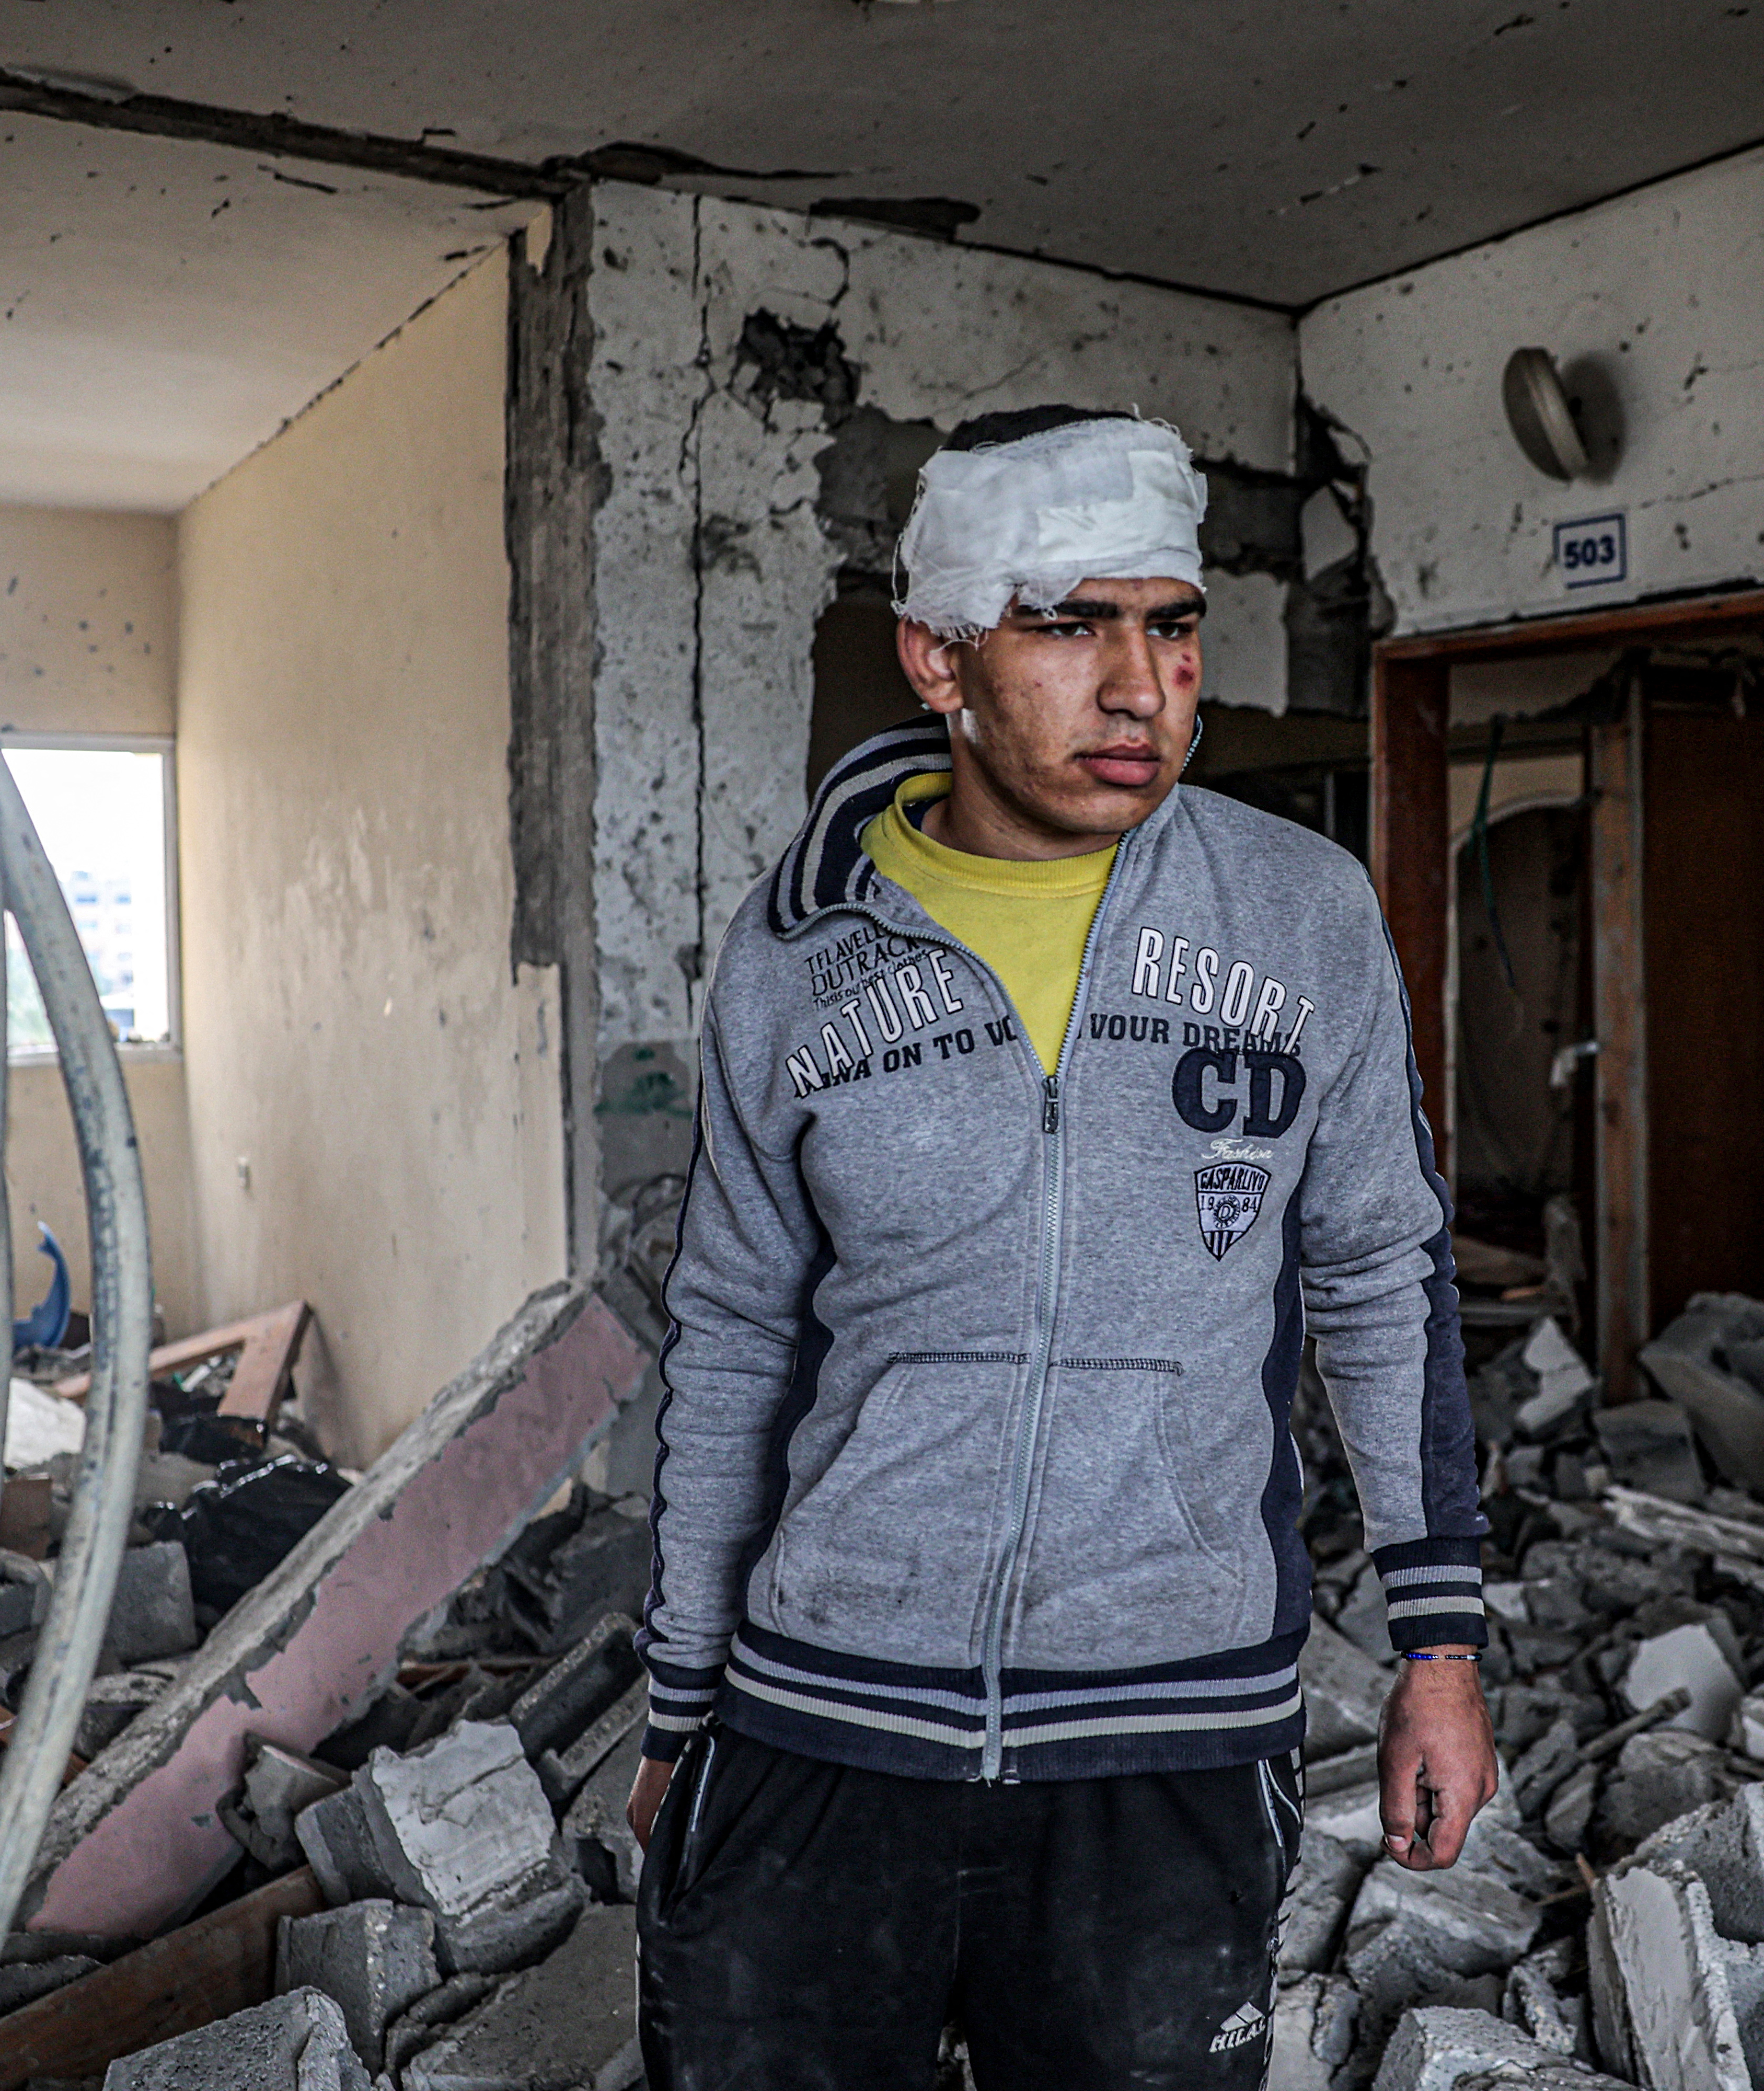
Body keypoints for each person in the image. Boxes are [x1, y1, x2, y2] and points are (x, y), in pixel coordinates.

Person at [625, 407, 1493, 2089]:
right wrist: (679, 1699)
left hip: (1164, 1733)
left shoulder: (1298, 913)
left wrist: (1436, 1654)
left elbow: (1387, 1274)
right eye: (1068, 626)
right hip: (824, 1719)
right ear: (938, 659)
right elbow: (731, 1331)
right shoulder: (797, 953)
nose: (1141, 689)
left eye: (1171, 626)